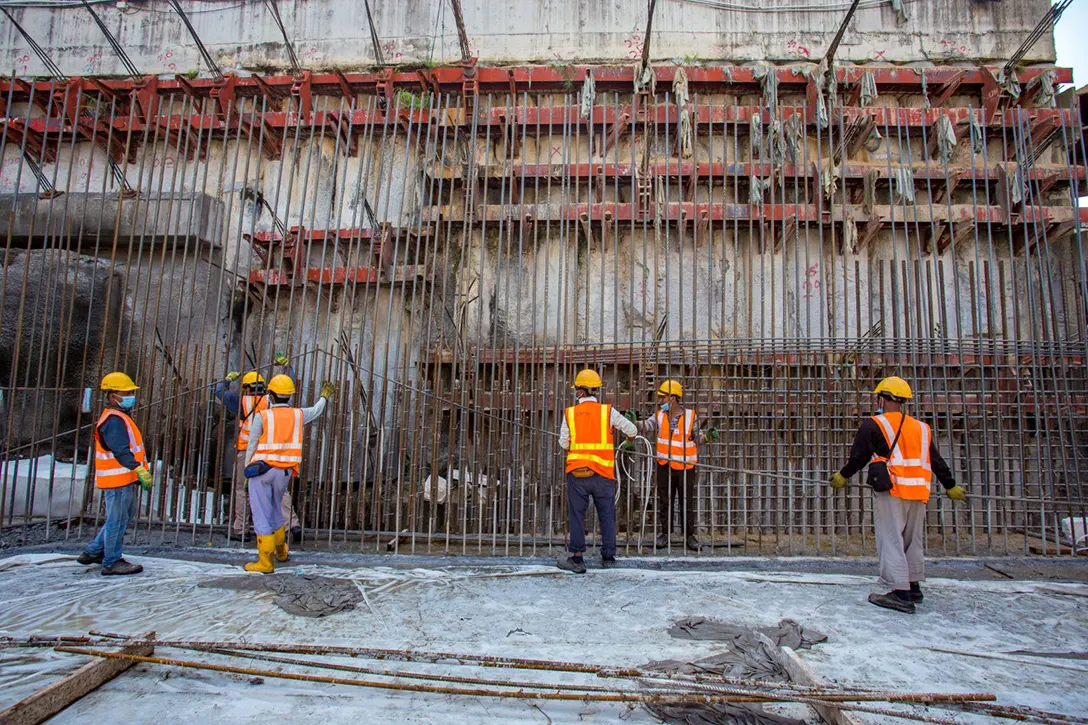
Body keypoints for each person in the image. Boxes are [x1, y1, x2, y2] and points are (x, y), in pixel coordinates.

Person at [828, 376, 966, 613]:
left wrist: (843, 475)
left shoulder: (874, 424)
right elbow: (936, 460)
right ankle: (913, 586)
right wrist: (950, 485)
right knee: (912, 541)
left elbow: (859, 458)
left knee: (891, 540)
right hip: (919, 491)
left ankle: (900, 594)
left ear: (881, 399)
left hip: (892, 490)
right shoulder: (921, 428)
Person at [243, 373, 334, 573]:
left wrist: (246, 471)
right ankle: (281, 552)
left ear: (271, 395)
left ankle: (265, 563)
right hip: (283, 474)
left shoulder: (263, 416)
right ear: (289, 396)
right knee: (276, 511)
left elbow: (252, 444)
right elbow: (317, 410)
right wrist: (324, 396)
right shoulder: (298, 415)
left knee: (261, 515)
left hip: (261, 471)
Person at [216, 352, 304, 542]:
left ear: (246, 388)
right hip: (268, 453)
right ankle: (291, 524)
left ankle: (241, 529)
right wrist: (287, 367)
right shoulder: (270, 401)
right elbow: (288, 386)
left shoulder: (240, 401)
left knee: (243, 489)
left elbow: (219, 392)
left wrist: (227, 380)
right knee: (279, 490)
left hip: (246, 454)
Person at [556, 369, 638, 573]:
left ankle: (577, 559)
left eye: (577, 390)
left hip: (578, 474)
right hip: (603, 475)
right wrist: (628, 442)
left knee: (576, 515)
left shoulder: (570, 413)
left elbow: (564, 444)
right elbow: (632, 430)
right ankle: (609, 557)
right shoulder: (607, 412)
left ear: (581, 392)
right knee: (607, 514)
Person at [76, 372, 154, 576]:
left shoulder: (119, 417)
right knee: (117, 520)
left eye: (130, 392)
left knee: (123, 516)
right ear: (112, 395)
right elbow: (120, 450)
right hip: (117, 479)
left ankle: (93, 551)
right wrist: (137, 468)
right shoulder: (114, 420)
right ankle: (111, 561)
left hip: (123, 479)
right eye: (125, 392)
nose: (130, 395)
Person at [627, 379, 718, 551]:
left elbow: (697, 439)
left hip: (686, 467)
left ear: (673, 398)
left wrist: (707, 437)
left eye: (663, 397)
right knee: (665, 501)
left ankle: (689, 536)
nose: (660, 400)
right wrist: (635, 423)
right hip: (664, 465)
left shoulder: (691, 416)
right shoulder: (660, 415)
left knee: (687, 502)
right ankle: (665, 534)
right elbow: (646, 426)